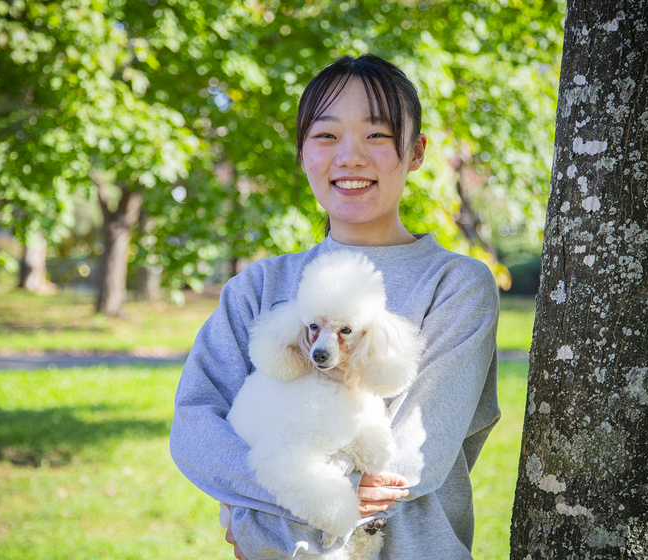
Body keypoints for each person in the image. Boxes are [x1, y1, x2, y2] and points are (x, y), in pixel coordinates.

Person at [170, 54, 500, 559]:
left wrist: (261, 505)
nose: (350, 156)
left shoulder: (457, 285)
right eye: (325, 136)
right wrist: (302, 493)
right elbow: (195, 428)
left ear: (415, 153)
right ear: (302, 153)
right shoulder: (259, 286)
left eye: (377, 135)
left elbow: (409, 461)